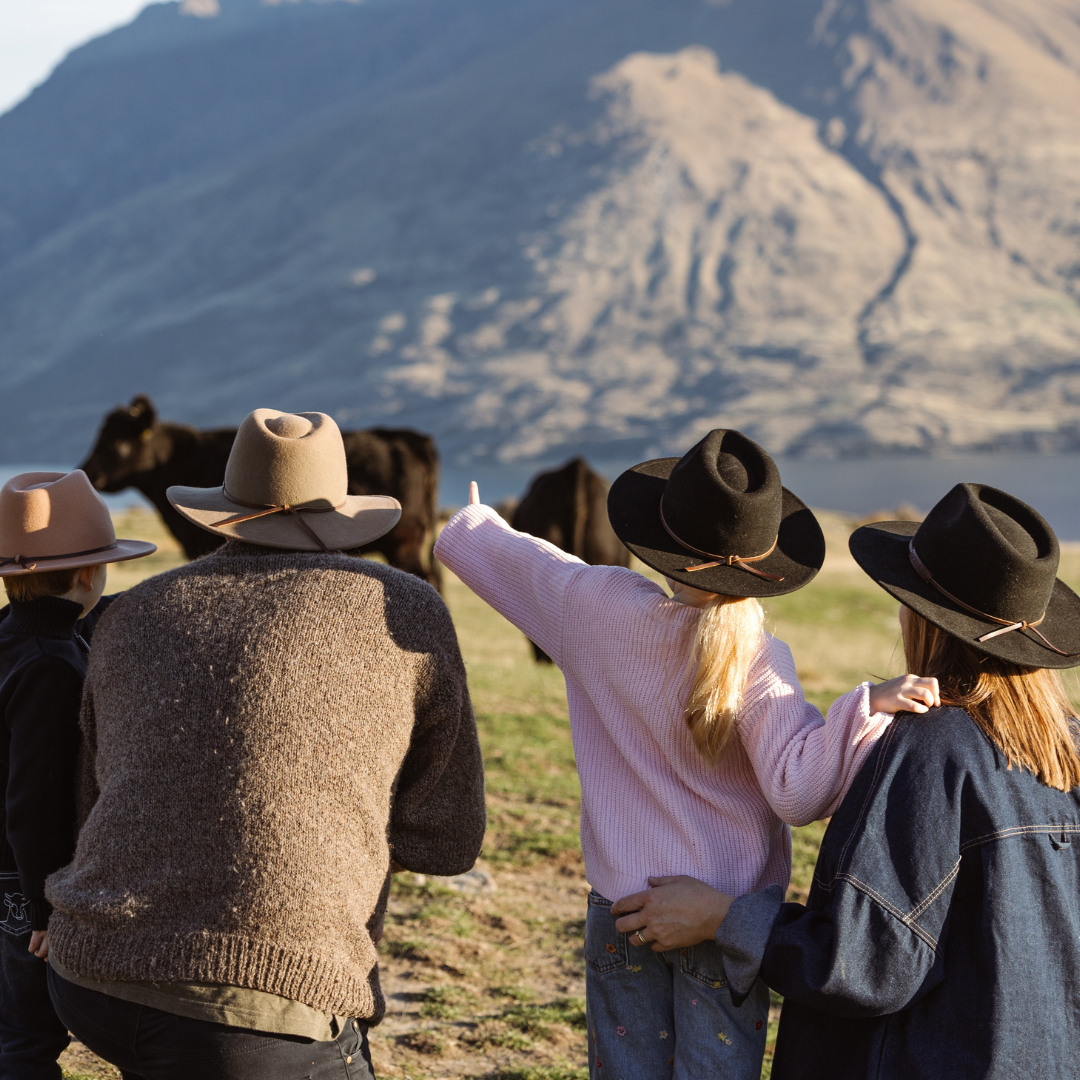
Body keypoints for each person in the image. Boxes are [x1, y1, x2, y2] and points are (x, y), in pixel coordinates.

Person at [434, 429, 936, 1080]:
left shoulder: (595, 607)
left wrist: (475, 525)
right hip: (720, 922)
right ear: (761, 564)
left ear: (661, 544)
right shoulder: (758, 660)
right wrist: (865, 707)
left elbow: (524, 566)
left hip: (621, 913)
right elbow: (798, 791)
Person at [44, 409, 487, 1080]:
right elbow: (447, 840)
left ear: (226, 505)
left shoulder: (129, 611)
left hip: (88, 972)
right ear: (341, 509)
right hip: (262, 1003)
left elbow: (94, 796)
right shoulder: (405, 606)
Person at [611, 482, 1080, 1079]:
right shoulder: (1068, 749)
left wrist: (722, 916)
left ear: (927, 620)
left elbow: (867, 961)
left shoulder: (931, 749)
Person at [0, 470, 156, 1079]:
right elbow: (34, 801)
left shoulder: (12, 639)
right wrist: (45, 907)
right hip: (22, 881)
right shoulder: (53, 665)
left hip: (5, 870)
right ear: (91, 573)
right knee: (27, 1033)